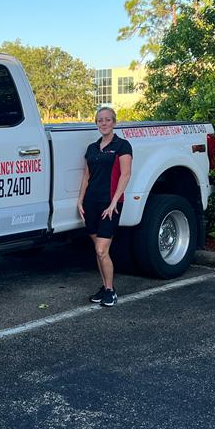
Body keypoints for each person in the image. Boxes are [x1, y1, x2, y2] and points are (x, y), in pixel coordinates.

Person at [77, 106, 133, 307]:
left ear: (114, 122)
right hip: (91, 204)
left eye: (107, 120)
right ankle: (104, 287)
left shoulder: (122, 146)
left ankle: (111, 291)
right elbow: (86, 176)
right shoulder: (92, 148)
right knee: (99, 250)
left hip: (110, 205)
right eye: (100, 120)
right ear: (96, 123)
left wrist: (113, 203)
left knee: (102, 249)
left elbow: (125, 175)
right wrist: (80, 200)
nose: (104, 123)